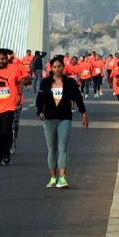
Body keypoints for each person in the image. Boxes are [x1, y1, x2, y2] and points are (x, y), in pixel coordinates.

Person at [36, 55, 88, 189]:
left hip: (64, 119)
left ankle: (62, 178)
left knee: (63, 147)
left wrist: (84, 114)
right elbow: (39, 100)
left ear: (63, 67)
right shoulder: (46, 82)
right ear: (51, 68)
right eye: (54, 67)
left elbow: (78, 98)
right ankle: (53, 178)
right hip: (49, 119)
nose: (57, 69)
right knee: (52, 149)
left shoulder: (69, 83)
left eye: (59, 66)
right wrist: (40, 112)